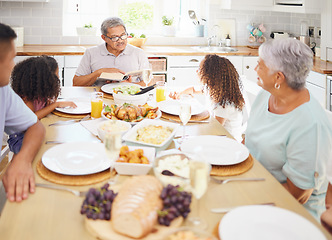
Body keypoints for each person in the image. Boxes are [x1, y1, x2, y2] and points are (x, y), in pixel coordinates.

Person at [244, 38, 332, 221]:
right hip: (251, 185)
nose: (255, 69)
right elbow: (250, 142)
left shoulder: (310, 124)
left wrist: (245, 195)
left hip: (289, 214)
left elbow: (297, 194)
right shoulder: (265, 96)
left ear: (278, 77)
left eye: (260, 65)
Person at [0, 23, 45, 202]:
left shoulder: (3, 91)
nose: (13, 66)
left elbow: (35, 125)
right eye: (11, 59)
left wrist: (22, 159)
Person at [169, 54, 245, 142]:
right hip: (215, 134)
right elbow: (193, 89)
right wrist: (180, 93)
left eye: (200, 69)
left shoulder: (224, 105)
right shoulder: (213, 89)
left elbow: (213, 130)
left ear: (212, 76)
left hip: (226, 142)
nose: (196, 71)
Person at [73, 17, 150, 86]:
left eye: (123, 35)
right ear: (104, 38)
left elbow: (149, 82)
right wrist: (99, 73)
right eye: (114, 37)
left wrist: (128, 85)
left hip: (129, 98)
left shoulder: (138, 53)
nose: (120, 40)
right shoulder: (91, 52)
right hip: (99, 97)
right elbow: (76, 83)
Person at [11, 55, 76, 120]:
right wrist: (56, 104)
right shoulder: (27, 98)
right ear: (45, 79)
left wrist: (48, 103)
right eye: (57, 74)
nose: (58, 77)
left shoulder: (40, 93)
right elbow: (32, 118)